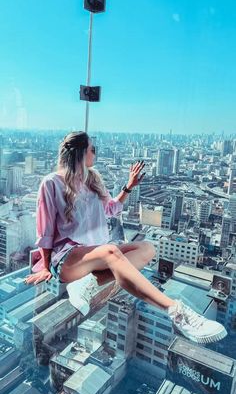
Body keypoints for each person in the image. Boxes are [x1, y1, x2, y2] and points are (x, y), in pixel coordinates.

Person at [25, 131, 227, 344]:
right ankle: (177, 312)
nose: (96, 153)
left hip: (96, 256)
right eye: (93, 149)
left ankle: (92, 283)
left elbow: (111, 209)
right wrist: (46, 266)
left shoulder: (93, 178)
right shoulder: (51, 183)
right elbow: (45, 231)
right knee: (112, 251)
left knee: (147, 248)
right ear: (80, 153)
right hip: (67, 259)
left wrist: (129, 186)